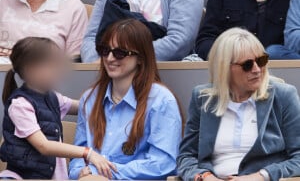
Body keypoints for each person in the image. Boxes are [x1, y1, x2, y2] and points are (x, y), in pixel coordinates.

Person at [178, 28, 300, 181]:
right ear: (224, 68)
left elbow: (298, 158)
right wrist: (205, 177)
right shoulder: (203, 98)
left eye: (261, 61)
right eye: (247, 65)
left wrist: (261, 176)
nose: (257, 70)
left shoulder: (283, 96)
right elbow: (186, 156)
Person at [69, 19, 182, 179]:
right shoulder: (90, 98)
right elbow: (79, 154)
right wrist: (79, 172)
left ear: (141, 58)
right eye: (104, 50)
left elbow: (163, 164)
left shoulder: (161, 100)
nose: (109, 58)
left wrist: (105, 173)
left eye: (120, 53)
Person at [0, 37, 117, 180]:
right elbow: (43, 146)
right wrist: (87, 152)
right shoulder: (20, 105)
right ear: (31, 69)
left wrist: (110, 97)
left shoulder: (53, 96)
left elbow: (84, 106)